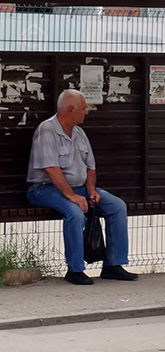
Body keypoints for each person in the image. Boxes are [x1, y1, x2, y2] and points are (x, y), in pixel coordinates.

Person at [27, 89, 138, 285]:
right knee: (75, 213)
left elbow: (90, 166)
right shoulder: (47, 130)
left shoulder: (79, 132)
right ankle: (75, 269)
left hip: (78, 188)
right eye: (83, 108)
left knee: (117, 206)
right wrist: (72, 196)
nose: (86, 112)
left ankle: (113, 265)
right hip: (44, 188)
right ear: (71, 109)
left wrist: (91, 191)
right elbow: (51, 169)